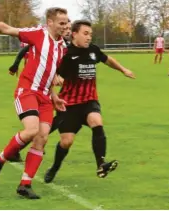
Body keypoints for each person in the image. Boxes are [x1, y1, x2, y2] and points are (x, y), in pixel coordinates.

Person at [0, 7, 68, 199]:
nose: (65, 26)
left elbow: (49, 74)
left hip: (45, 97)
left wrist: (54, 96)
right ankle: (0, 159)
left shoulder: (62, 47)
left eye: (66, 22)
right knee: (31, 130)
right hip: (27, 91)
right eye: (61, 23)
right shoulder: (38, 34)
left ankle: (25, 184)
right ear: (50, 23)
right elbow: (6, 29)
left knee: (42, 138)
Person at [43, 20, 135, 183]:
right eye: (85, 34)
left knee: (96, 121)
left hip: (89, 101)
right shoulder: (66, 53)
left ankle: (101, 164)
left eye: (90, 34)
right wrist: (55, 79)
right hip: (69, 105)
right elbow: (52, 73)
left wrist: (123, 70)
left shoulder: (93, 50)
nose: (88, 37)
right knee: (67, 142)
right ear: (74, 34)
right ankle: (55, 167)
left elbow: (107, 59)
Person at [8, 20, 72, 162]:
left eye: (69, 28)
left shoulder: (66, 46)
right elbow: (25, 50)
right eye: (65, 27)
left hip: (51, 86)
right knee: (42, 122)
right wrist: (15, 65)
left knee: (56, 118)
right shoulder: (47, 40)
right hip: (36, 83)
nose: (67, 30)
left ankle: (35, 142)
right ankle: (32, 143)